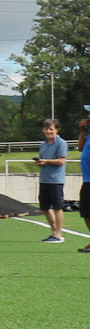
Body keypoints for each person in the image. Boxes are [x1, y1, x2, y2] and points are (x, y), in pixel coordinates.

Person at [35, 118, 68, 243]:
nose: (48, 131)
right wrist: (40, 162)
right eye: (46, 129)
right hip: (44, 179)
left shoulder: (61, 143)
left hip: (56, 180)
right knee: (44, 207)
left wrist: (47, 161)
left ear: (56, 130)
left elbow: (61, 161)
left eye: (51, 129)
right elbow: (43, 159)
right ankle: (54, 231)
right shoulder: (43, 144)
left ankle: (59, 234)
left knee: (57, 207)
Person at [77, 108, 90, 253]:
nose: (88, 116)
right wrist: (83, 130)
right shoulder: (88, 135)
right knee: (86, 212)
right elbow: (80, 147)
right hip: (87, 180)